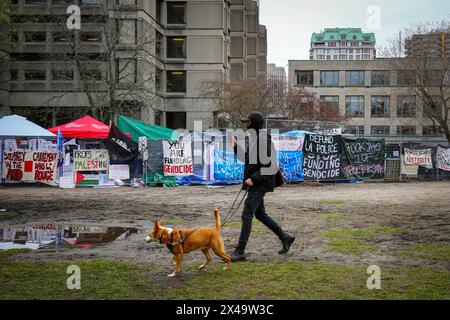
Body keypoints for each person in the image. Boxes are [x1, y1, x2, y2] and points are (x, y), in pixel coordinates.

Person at [230, 111, 295, 262]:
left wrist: (253, 179)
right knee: (260, 214)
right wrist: (235, 147)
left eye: (247, 122)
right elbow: (247, 159)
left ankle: (240, 251)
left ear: (252, 123)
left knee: (247, 214)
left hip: (259, 183)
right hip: (257, 182)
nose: (245, 125)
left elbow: (269, 165)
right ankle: (285, 237)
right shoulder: (256, 139)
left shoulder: (263, 140)